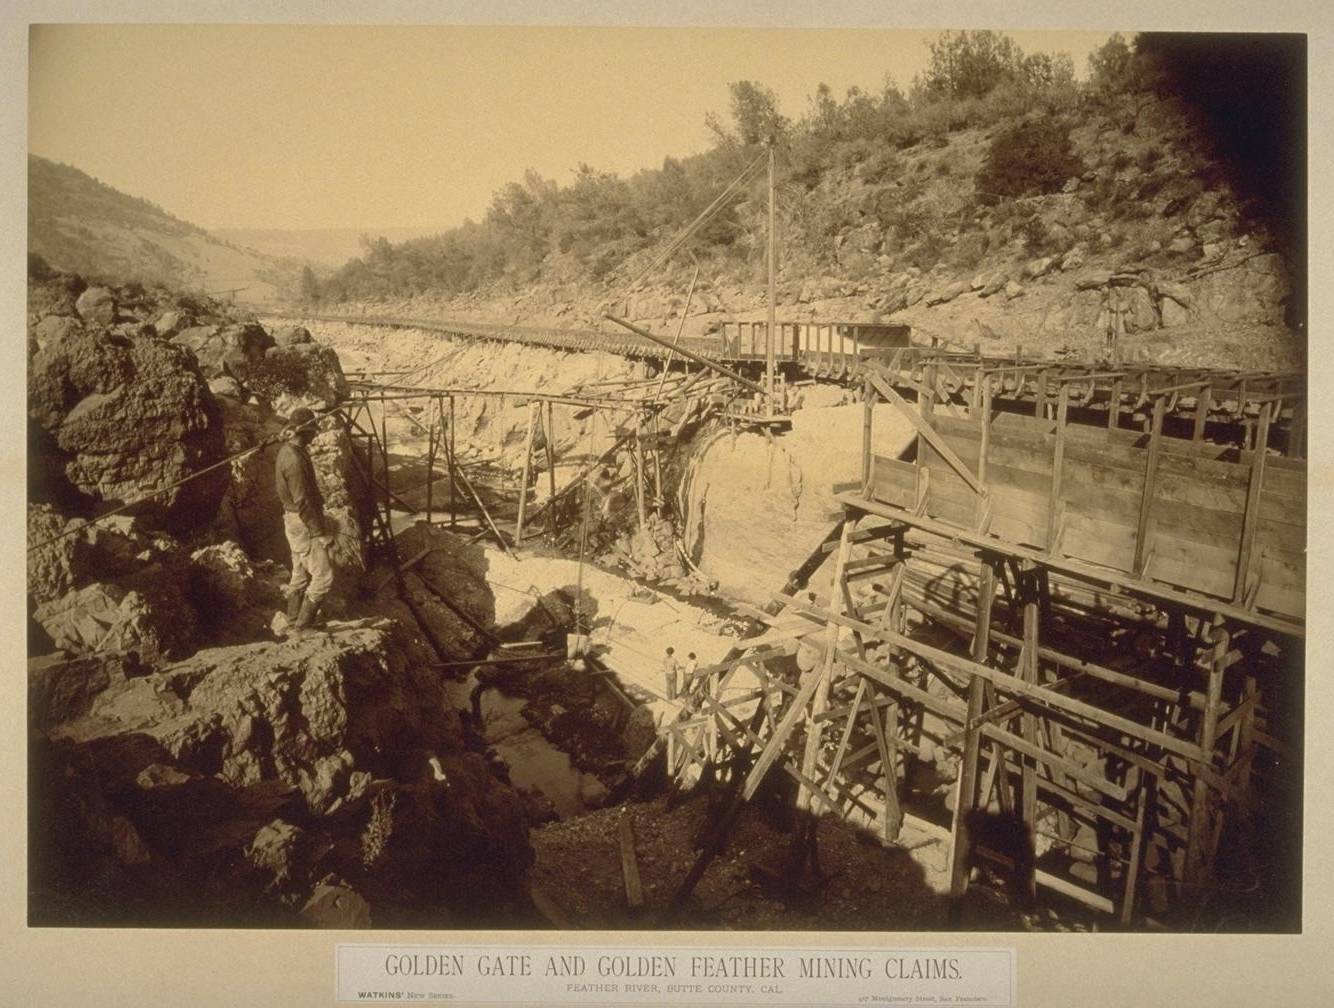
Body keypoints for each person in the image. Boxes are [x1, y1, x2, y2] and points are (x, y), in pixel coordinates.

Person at [275, 406, 334, 637]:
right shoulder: (294, 461)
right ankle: (303, 627)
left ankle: (291, 621)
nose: (315, 434)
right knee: (323, 576)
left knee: (299, 571)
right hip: (302, 522)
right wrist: (319, 533)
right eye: (312, 431)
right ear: (303, 431)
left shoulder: (289, 450)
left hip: (293, 521)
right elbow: (303, 502)